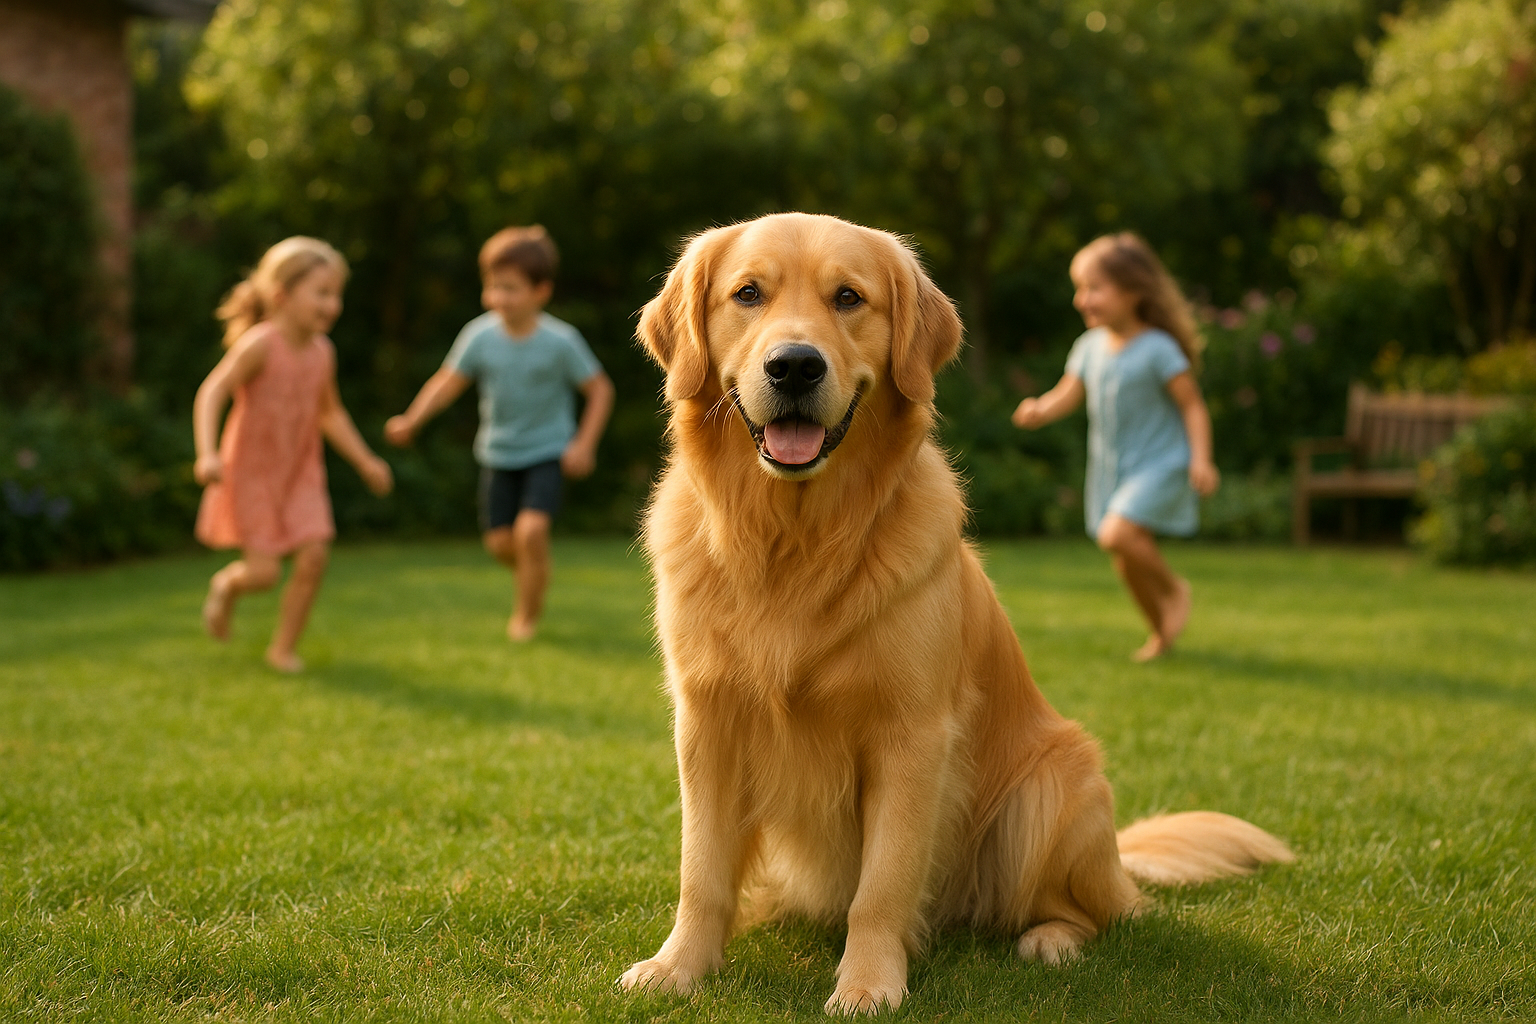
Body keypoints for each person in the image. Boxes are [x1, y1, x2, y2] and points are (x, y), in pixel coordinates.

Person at [385, 225, 614, 642]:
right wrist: (412, 419)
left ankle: (524, 618)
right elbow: (446, 383)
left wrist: (583, 443)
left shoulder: (561, 341)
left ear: (540, 291)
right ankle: (535, 568)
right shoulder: (479, 336)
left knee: (531, 532)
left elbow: (600, 389)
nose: (498, 298)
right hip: (497, 453)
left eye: (510, 288)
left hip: (547, 450)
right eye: (492, 287)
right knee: (500, 544)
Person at [1012, 232, 1220, 662]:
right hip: (1114, 467)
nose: (1080, 299)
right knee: (1124, 557)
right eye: (1080, 289)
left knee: (1117, 534)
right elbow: (1068, 393)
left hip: (1160, 463)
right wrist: (1040, 410)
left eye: (1093, 288)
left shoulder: (1158, 349)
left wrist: (1201, 459)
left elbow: (1193, 407)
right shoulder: (1089, 347)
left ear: (1133, 291)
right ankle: (1161, 632)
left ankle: (1174, 590)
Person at [193, 236, 394, 672]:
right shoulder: (260, 344)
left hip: (300, 470)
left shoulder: (323, 352)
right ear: (282, 294)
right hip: (252, 472)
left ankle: (282, 648)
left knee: (315, 555)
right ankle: (227, 586)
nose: (333, 304)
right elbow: (213, 391)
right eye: (321, 293)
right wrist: (207, 453)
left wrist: (365, 461)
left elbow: (331, 413)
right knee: (263, 575)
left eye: (337, 294)